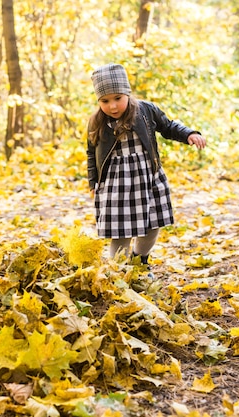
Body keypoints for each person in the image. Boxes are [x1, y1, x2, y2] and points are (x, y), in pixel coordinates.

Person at [86, 63, 206, 274]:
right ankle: (118, 272)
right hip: (116, 184)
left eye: (117, 98)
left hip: (147, 177)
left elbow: (168, 126)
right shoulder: (97, 122)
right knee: (120, 232)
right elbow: (91, 152)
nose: (112, 106)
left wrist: (189, 134)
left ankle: (139, 261)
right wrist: (92, 181)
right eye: (105, 101)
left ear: (127, 93)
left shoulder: (144, 110)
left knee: (152, 225)